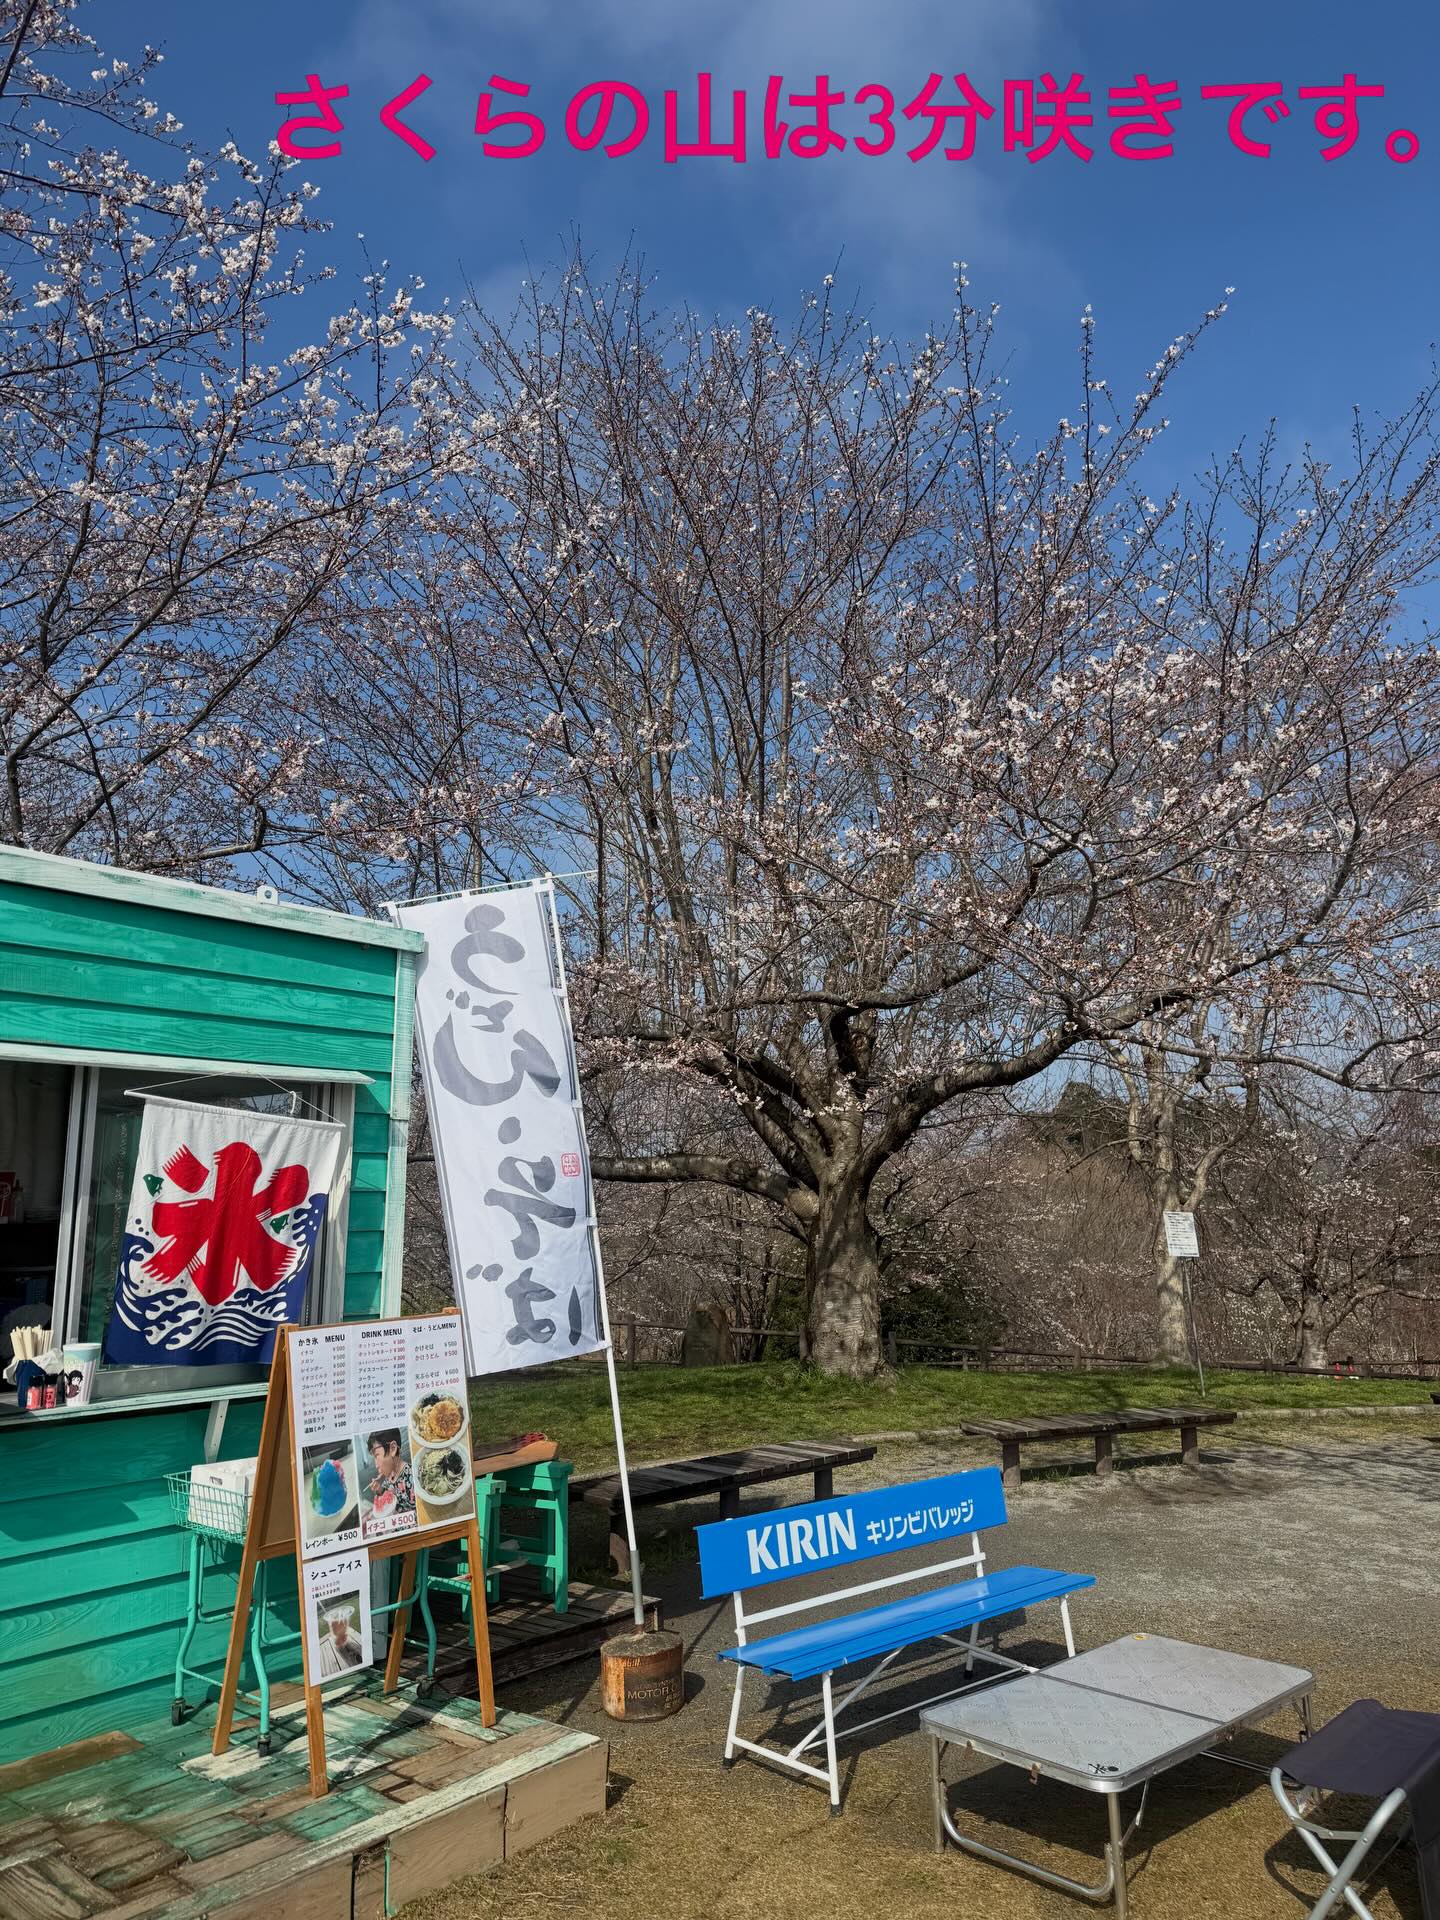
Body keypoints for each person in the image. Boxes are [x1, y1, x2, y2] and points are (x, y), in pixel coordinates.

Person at [364, 1428, 415, 1519]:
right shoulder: (389, 1476)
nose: (376, 1465)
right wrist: (379, 1490)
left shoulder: (413, 1478)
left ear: (392, 1448)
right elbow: (387, 1496)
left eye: (376, 1456)